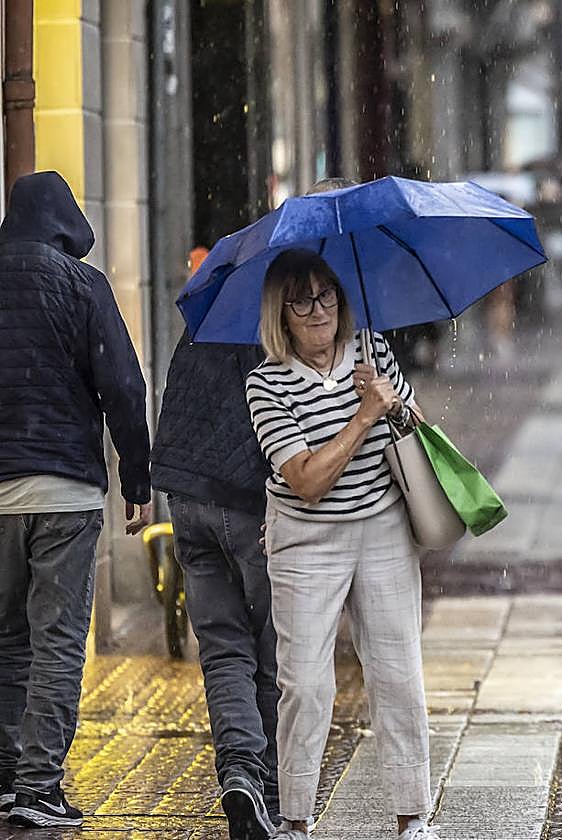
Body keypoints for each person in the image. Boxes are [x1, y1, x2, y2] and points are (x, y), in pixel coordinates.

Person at [244, 249, 434, 839]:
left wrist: (397, 405)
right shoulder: (265, 383)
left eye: (327, 294)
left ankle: (412, 816)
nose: (319, 309)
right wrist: (362, 416)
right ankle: (296, 820)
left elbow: (417, 429)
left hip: (382, 527)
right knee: (305, 682)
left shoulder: (373, 350)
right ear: (282, 313)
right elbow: (306, 480)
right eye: (301, 300)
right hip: (307, 540)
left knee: (398, 672)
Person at [0, 171, 151, 827]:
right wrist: (137, 479)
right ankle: (38, 789)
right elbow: (122, 384)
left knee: (8, 639)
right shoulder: (83, 286)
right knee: (58, 641)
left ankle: (7, 778)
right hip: (63, 489)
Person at [151, 326, 278, 840]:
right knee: (276, 648)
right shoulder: (277, 326)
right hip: (253, 503)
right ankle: (268, 787)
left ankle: (240, 772)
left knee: (223, 648)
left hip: (189, 498)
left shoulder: (205, 318)